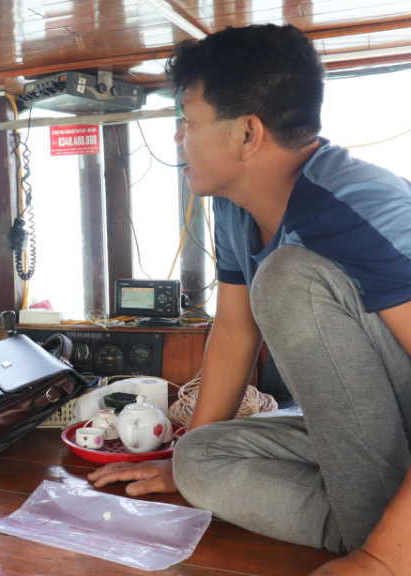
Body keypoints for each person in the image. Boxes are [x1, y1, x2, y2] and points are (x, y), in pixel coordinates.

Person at [87, 24, 411, 576]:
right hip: (364, 440)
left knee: (287, 279)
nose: (177, 139)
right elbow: (235, 333)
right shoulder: (233, 206)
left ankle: (385, 541)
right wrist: (178, 465)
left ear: (247, 134)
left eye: (187, 122)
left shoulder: (361, 206)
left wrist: (382, 560)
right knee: (198, 457)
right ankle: (377, 524)